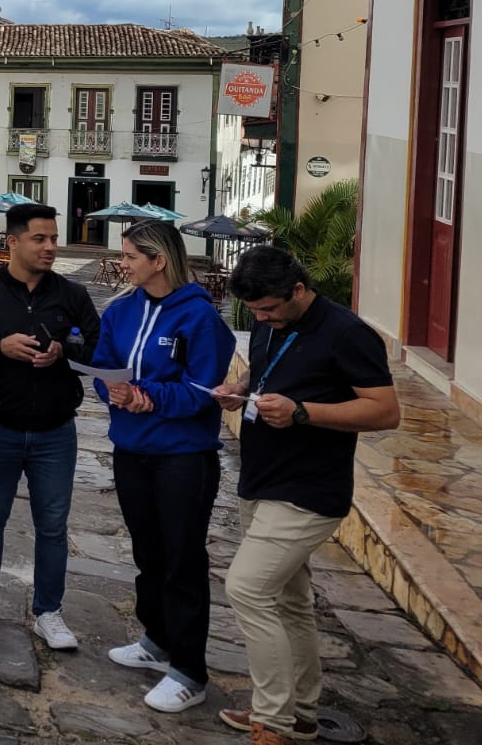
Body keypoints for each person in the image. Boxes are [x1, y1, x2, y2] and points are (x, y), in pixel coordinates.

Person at [214, 246, 399, 745]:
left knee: (247, 589)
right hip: (261, 477)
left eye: (269, 309)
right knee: (289, 601)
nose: (261, 319)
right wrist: (240, 389)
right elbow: (266, 370)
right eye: (254, 312)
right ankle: (300, 713)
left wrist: (303, 412)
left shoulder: (348, 333)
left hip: (309, 489)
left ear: (298, 290)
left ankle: (271, 721)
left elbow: (386, 411)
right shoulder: (268, 320)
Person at [90, 220, 237, 713]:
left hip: (183, 456)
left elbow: (203, 390)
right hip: (131, 450)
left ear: (159, 260)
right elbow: (103, 366)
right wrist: (111, 390)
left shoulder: (200, 317)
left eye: (131, 256)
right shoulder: (121, 310)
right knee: (148, 552)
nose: (123, 264)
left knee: (182, 559)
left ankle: (190, 671)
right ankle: (157, 640)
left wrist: (147, 396)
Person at [0, 202, 99, 650]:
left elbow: (98, 346)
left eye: (54, 239)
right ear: (12, 242)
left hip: (56, 429)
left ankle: (49, 611)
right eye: (39, 239)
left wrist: (64, 352)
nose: (50, 247)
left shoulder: (72, 295)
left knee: (52, 524)